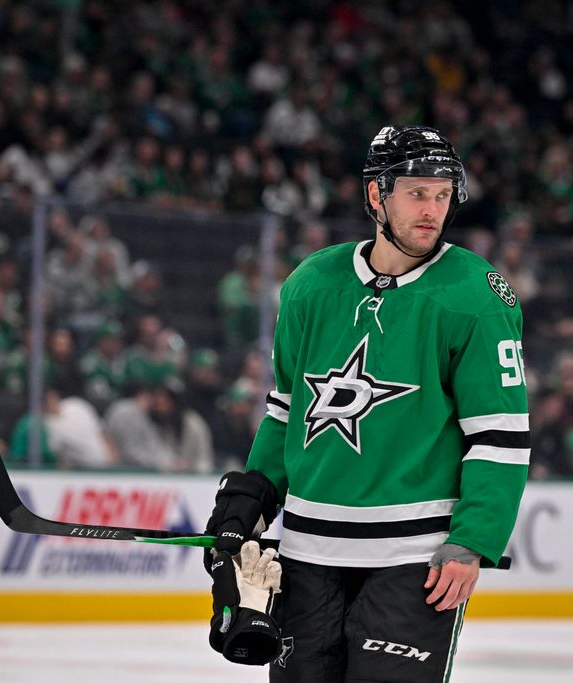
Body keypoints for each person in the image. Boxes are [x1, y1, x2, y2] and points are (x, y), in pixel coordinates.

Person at [202, 125, 531, 681]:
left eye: (442, 194)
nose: (432, 209)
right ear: (377, 195)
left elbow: (498, 433)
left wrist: (473, 539)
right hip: (308, 551)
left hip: (415, 558)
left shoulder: (476, 295)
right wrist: (253, 498)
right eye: (416, 193)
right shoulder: (311, 284)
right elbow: (286, 411)